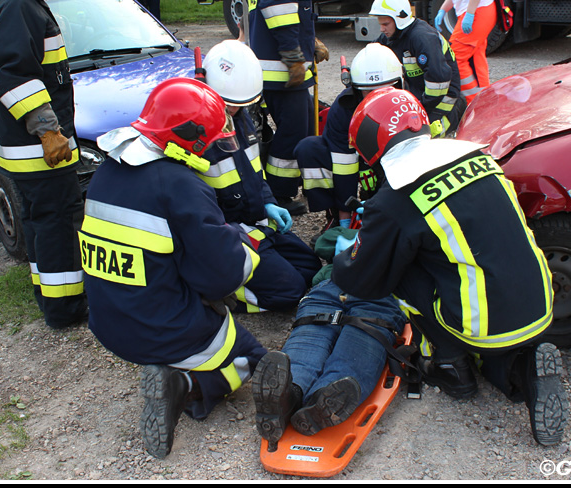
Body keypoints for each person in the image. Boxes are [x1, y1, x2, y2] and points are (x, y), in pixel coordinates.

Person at [332, 88, 567, 446]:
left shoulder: (397, 197)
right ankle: (522, 371)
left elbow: (364, 278)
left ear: (369, 142)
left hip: (485, 323)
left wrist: (348, 252)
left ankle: (450, 367)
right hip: (540, 302)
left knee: (401, 273)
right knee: (450, 261)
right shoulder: (479, 157)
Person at [81, 77, 268, 459]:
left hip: (108, 322)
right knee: (254, 359)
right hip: (162, 330)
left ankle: (174, 371)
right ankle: (184, 385)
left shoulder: (109, 170)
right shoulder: (181, 185)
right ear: (191, 138)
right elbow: (221, 277)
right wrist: (246, 245)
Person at [0, 0, 88, 330]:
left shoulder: (23, 2)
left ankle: (51, 299)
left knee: (43, 224)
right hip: (37, 150)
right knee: (58, 224)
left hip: (33, 150)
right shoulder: (18, 5)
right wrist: (48, 130)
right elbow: (13, 76)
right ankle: (66, 310)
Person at [199, 40, 321, 313]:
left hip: (255, 219)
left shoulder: (239, 115)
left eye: (239, 105)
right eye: (229, 104)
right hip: (228, 233)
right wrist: (234, 234)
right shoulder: (196, 129)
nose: (233, 110)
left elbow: (254, 169)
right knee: (291, 292)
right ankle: (221, 294)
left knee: (310, 268)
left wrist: (268, 201)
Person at [242, 0, 329, 216]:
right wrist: (294, 56)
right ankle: (278, 195)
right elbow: (277, 8)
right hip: (282, 69)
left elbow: (280, 9)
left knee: (303, 124)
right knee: (294, 132)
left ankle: (283, 188)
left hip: (267, 66)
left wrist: (311, 42)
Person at [253, 276, 406, 442]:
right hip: (383, 291)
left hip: (330, 284)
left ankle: (290, 392)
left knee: (308, 341)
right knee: (359, 347)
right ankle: (322, 400)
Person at [295, 43, 403, 225]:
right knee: (309, 149)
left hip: (391, 166)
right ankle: (334, 216)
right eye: (368, 91)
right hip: (355, 161)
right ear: (356, 88)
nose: (375, 97)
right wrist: (345, 215)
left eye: (382, 91)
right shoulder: (344, 109)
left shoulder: (407, 103)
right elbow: (343, 164)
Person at [372, 0, 466, 137]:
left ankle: (456, 116)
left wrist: (418, 110)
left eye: (385, 24)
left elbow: (438, 82)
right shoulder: (395, 35)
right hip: (420, 94)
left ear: (399, 19)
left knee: (423, 135)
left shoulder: (422, 38)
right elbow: (373, 51)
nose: (381, 29)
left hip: (442, 99)